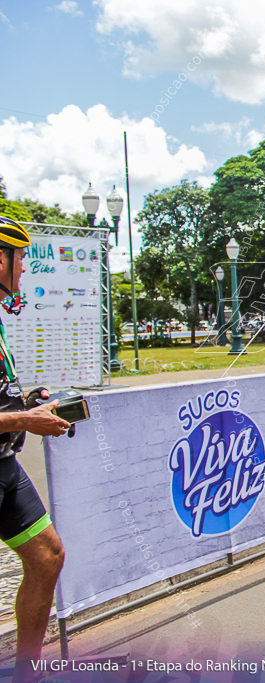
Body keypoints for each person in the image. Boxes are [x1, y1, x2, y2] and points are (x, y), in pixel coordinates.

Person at [0, 217, 70, 681]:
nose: (25, 267)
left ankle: (27, 672)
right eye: (20, 256)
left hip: (4, 464)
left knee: (47, 556)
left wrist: (26, 403)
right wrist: (25, 420)